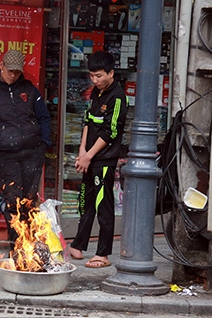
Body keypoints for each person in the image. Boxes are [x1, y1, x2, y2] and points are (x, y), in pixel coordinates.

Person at [0, 50, 52, 246]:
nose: (13, 75)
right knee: (12, 201)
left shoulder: (29, 89)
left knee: (29, 200)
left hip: (32, 152)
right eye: (10, 71)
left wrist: (44, 143)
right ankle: (17, 244)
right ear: (1, 66)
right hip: (6, 155)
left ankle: (30, 243)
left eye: (17, 72)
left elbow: (44, 117)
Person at [68, 50, 128, 269]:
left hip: (104, 161)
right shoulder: (95, 92)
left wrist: (90, 155)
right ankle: (77, 245)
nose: (95, 80)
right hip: (89, 158)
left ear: (111, 73)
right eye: (92, 76)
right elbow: (87, 121)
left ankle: (103, 253)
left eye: (100, 76)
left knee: (104, 206)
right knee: (85, 203)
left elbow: (110, 132)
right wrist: (82, 152)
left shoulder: (118, 96)